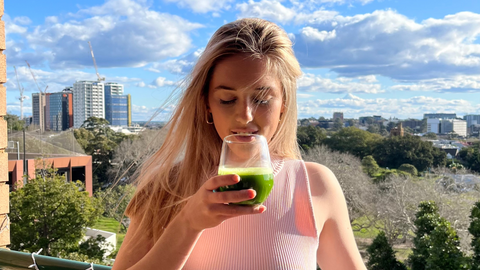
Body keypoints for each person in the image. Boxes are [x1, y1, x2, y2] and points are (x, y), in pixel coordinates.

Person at [113, 18, 366, 270]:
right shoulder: (165, 188)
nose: (245, 115)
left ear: (283, 107)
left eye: (262, 99)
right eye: (227, 99)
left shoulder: (315, 185)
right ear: (207, 106)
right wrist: (188, 223)